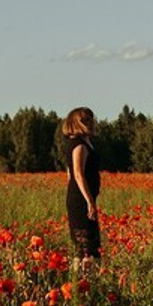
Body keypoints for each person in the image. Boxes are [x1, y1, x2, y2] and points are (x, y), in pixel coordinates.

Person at [62, 107, 101, 265]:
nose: (92, 122)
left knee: (85, 247)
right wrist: (89, 201)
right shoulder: (79, 146)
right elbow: (77, 174)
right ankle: (84, 283)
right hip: (81, 201)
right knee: (87, 248)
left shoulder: (80, 143)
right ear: (78, 123)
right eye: (87, 119)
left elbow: (69, 175)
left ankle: (81, 282)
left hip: (78, 198)